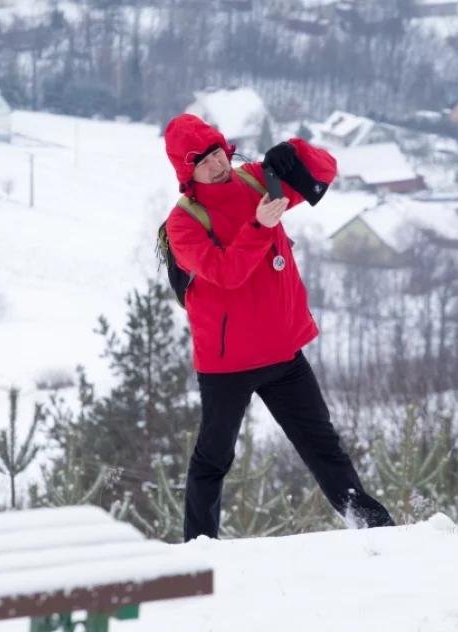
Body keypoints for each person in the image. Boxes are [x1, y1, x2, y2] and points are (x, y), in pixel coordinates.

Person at [162, 113, 395, 542]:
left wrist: (295, 150)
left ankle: (375, 529)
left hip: (283, 354)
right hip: (226, 365)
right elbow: (225, 272)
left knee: (325, 450)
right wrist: (260, 227)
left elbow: (324, 172)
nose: (216, 164)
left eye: (217, 153)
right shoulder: (184, 222)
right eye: (203, 160)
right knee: (213, 460)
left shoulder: (254, 180)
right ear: (186, 170)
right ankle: (199, 547)